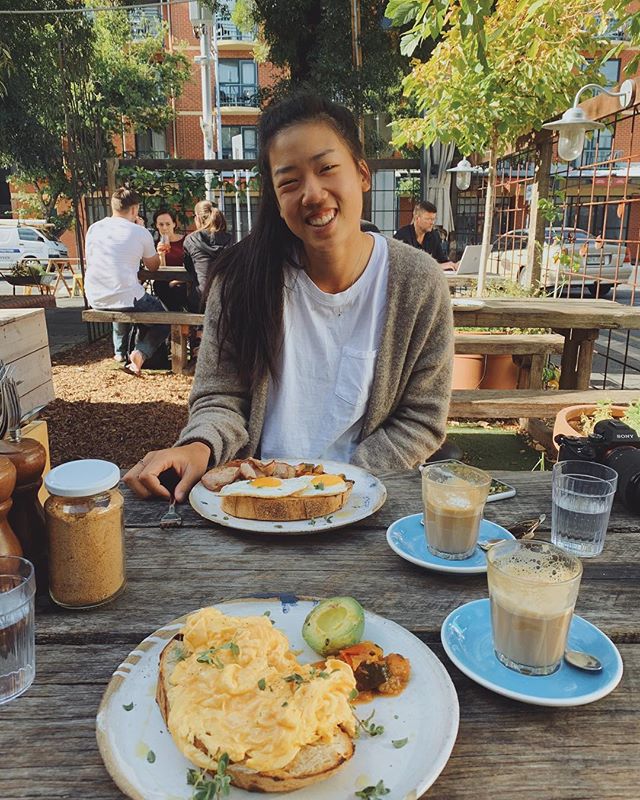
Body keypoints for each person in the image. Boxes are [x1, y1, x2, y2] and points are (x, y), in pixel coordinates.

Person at [124, 92, 454, 502]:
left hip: (365, 501)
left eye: (327, 168)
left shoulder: (417, 283)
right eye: (290, 181)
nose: (312, 194)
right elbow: (219, 395)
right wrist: (199, 445)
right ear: (278, 201)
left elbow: (422, 418)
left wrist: (337, 485)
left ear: (362, 174)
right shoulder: (241, 281)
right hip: (253, 497)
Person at [84, 187, 170, 374]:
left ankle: (123, 353)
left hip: (95, 297)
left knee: (134, 302)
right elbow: (153, 266)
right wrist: (141, 232)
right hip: (125, 298)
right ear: (134, 209)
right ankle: (140, 353)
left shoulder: (94, 228)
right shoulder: (139, 232)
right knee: (165, 320)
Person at [183, 201, 233, 310]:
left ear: (198, 218)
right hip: (226, 298)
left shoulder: (191, 239)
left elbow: (189, 268)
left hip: (201, 299)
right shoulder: (229, 238)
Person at [394, 201, 458, 271]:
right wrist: (437, 267)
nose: (432, 223)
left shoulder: (434, 236)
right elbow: (406, 267)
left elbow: (442, 260)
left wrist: (453, 265)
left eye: (433, 219)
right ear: (417, 218)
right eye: (428, 219)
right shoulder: (402, 236)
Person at [151, 209, 188, 312]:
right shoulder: (155, 244)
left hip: (185, 282)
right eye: (161, 224)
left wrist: (176, 281)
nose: (164, 228)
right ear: (156, 226)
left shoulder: (186, 241)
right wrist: (161, 255)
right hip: (166, 285)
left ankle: (178, 318)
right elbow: (160, 273)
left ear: (174, 224)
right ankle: (177, 318)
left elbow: (192, 267)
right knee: (159, 285)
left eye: (168, 224)